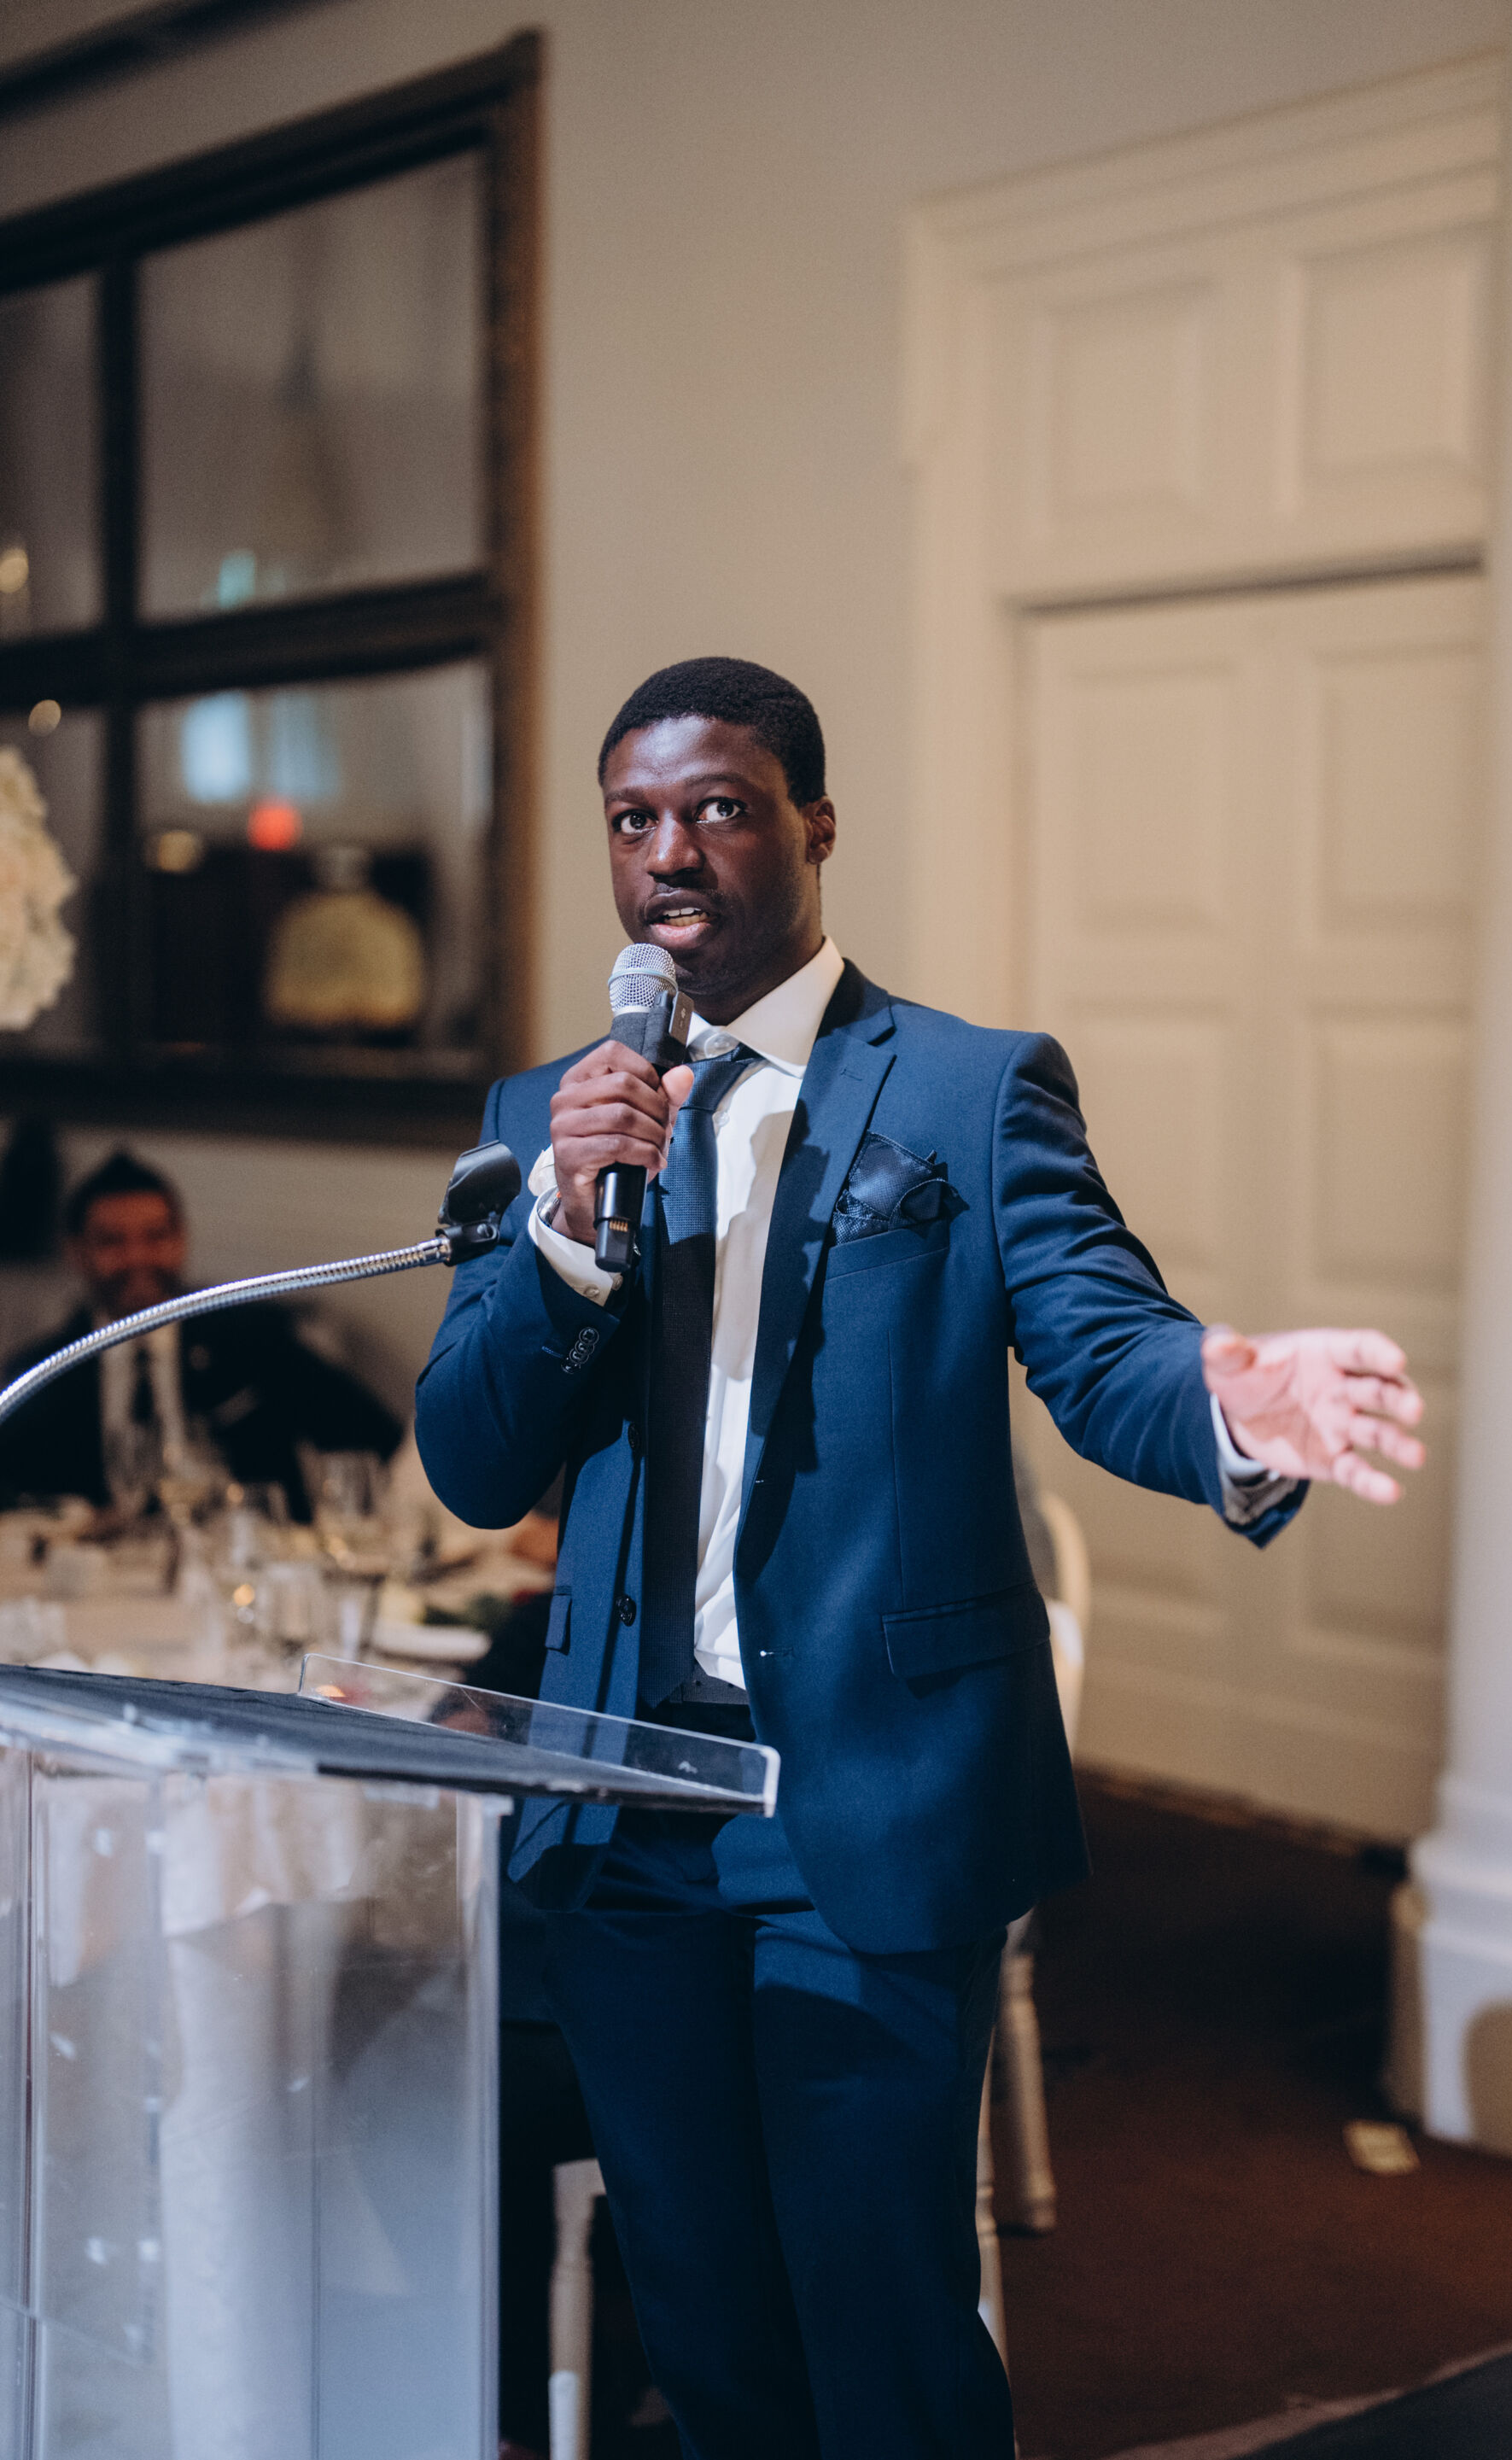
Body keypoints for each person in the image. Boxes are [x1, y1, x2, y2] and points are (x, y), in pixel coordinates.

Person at [416, 657, 1425, 2460]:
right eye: (634, 820)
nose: (670, 854)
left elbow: (1105, 1345)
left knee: (883, 2334)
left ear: (815, 826)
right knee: (703, 2332)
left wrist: (1228, 1401)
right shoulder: (544, 1121)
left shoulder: (967, 1090)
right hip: (624, 1810)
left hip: (861, 1806)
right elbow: (474, 1461)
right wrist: (565, 1234)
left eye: (719, 808)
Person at [0, 1148, 401, 1519]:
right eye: (112, 1242)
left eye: (156, 1236)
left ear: (182, 1239)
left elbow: (377, 1438)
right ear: (76, 1251)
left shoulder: (256, 1340)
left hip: (244, 1556)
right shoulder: (39, 1374)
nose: (137, 1257)